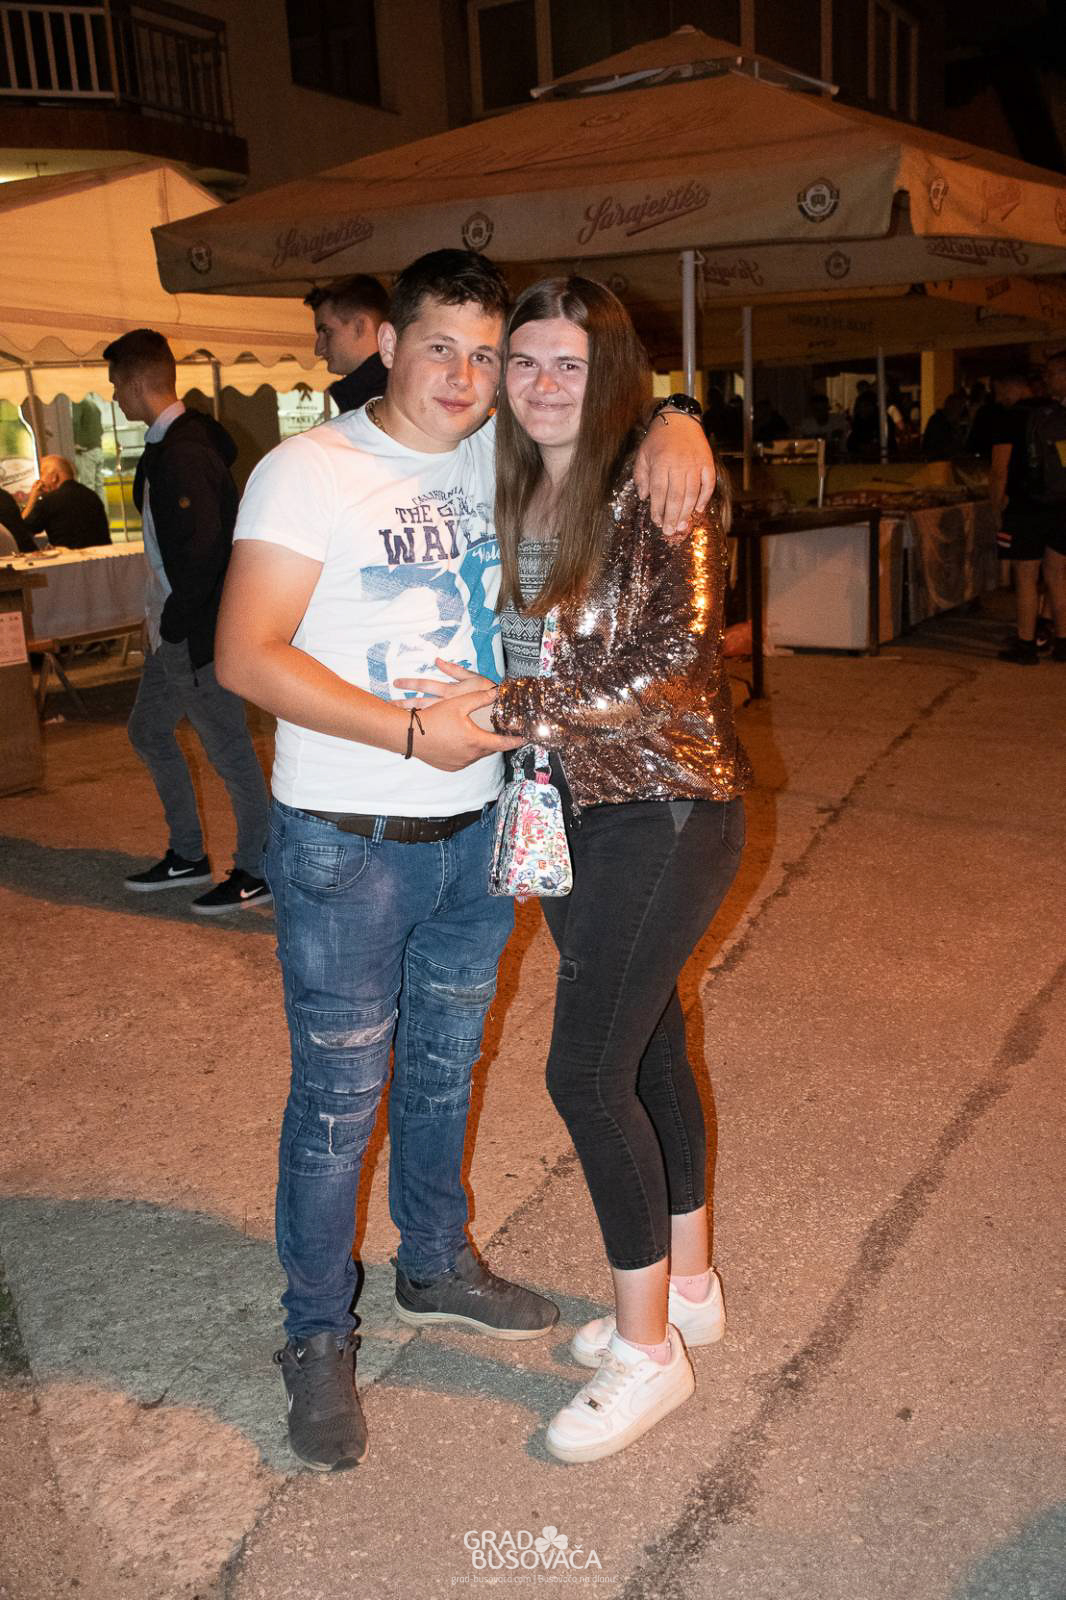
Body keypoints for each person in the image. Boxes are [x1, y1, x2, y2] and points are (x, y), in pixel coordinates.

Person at [214, 248, 717, 1473]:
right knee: (339, 1101)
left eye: (486, 355)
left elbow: (596, 403)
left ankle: (433, 1263)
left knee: (447, 1070)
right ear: (385, 343)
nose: (469, 374)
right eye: (441, 345)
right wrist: (407, 732)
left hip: (484, 832)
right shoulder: (307, 469)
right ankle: (316, 1331)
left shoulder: (493, 451)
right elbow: (244, 655)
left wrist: (679, 414)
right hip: (349, 837)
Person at [396, 277, 751, 1464]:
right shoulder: (505, 481)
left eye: (571, 364)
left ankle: (649, 1354)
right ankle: (686, 1289)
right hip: (563, 815)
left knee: (586, 1073)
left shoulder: (653, 483)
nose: (544, 385)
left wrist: (510, 707)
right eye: (526, 361)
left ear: (611, 378)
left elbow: (674, 665)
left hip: (663, 804)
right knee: (647, 1049)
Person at [103, 329, 272, 913]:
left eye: (115, 387)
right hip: (170, 629)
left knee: (230, 751)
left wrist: (177, 625)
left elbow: (206, 554)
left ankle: (258, 868)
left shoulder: (185, 453)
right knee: (148, 730)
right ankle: (188, 854)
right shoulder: (169, 447)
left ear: (135, 382)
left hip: (193, 632)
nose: (114, 399)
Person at [989, 361, 1066, 664]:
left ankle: (1026, 644)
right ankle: (1063, 643)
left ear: (1010, 386)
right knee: (1058, 576)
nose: (998, 398)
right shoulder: (1058, 412)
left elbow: (999, 470)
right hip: (1061, 505)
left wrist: (996, 509)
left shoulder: (1009, 418)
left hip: (1025, 508)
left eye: (998, 391)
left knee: (1026, 577)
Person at [304, 274, 390, 414]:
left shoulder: (385, 403)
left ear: (360, 326)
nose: (318, 349)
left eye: (327, 331)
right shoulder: (387, 393)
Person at [21, 456, 110, 548]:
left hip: (70, 556)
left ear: (54, 477)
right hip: (103, 554)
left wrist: (32, 499)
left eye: (42, 473)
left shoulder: (49, 501)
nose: (41, 480)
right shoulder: (92, 495)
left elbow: (22, 532)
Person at [72, 397, 106, 497]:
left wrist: (76, 442)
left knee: (87, 485)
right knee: (99, 485)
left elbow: (75, 423)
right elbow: (100, 429)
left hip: (86, 450)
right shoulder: (94, 405)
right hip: (98, 449)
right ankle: (102, 507)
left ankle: (90, 507)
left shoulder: (78, 402)